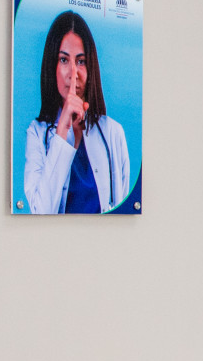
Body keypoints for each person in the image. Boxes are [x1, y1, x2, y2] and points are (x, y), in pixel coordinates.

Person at [22, 11, 131, 213]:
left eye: (81, 61)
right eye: (64, 60)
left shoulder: (113, 133)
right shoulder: (36, 133)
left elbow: (122, 213)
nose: (74, 73)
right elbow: (41, 212)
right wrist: (61, 133)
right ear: (51, 66)